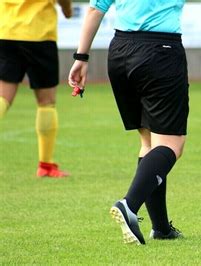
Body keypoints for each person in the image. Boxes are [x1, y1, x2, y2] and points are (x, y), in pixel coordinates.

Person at [68, 0, 189, 245]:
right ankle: (129, 205)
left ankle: (162, 228)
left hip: (120, 52)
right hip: (160, 51)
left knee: (148, 141)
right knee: (171, 145)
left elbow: (95, 8)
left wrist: (81, 56)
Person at [0, 0, 72, 178]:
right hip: (38, 34)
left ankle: (46, 166)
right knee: (46, 102)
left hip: (7, 30)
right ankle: (46, 165)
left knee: (3, 98)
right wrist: (67, 10)